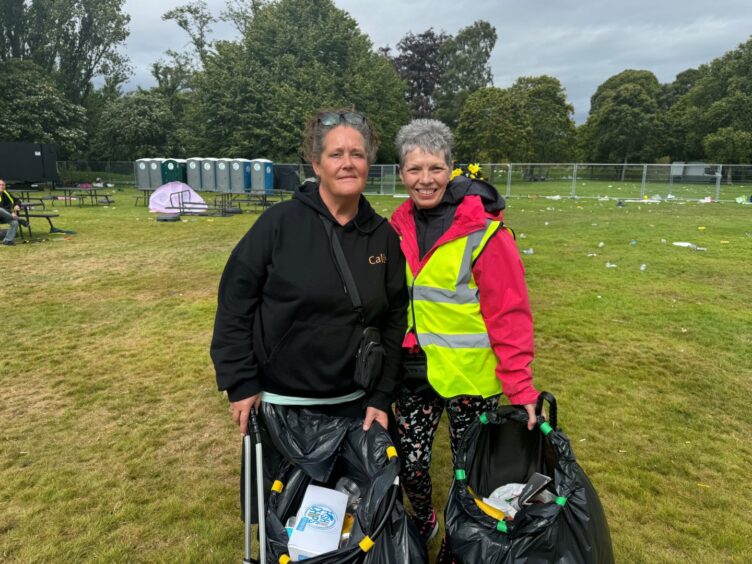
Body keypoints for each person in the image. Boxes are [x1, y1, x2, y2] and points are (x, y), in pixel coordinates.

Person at [390, 119, 540, 557]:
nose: (425, 180)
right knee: (410, 466)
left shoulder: (485, 234)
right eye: (414, 169)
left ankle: (463, 539)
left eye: (435, 168)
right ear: (401, 173)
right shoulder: (394, 227)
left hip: (472, 380)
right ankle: (424, 522)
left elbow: (510, 314)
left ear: (452, 169)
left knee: (469, 473)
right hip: (416, 375)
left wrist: (520, 384)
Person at [210, 108, 407, 439]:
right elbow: (234, 304)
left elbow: (394, 320)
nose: (347, 163)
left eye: (357, 154)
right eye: (336, 154)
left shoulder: (383, 237)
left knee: (356, 493)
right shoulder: (278, 224)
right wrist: (240, 381)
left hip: (356, 405)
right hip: (280, 402)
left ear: (368, 164)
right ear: (317, 164)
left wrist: (381, 396)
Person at [0, 179, 28, 246]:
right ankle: (20, 219)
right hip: (3, 213)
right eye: (0, 185)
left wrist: (17, 205)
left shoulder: (6, 193)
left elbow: (17, 200)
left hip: (6, 216)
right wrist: (11, 212)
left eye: (3, 185)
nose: (1, 186)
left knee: (14, 222)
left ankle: (7, 240)